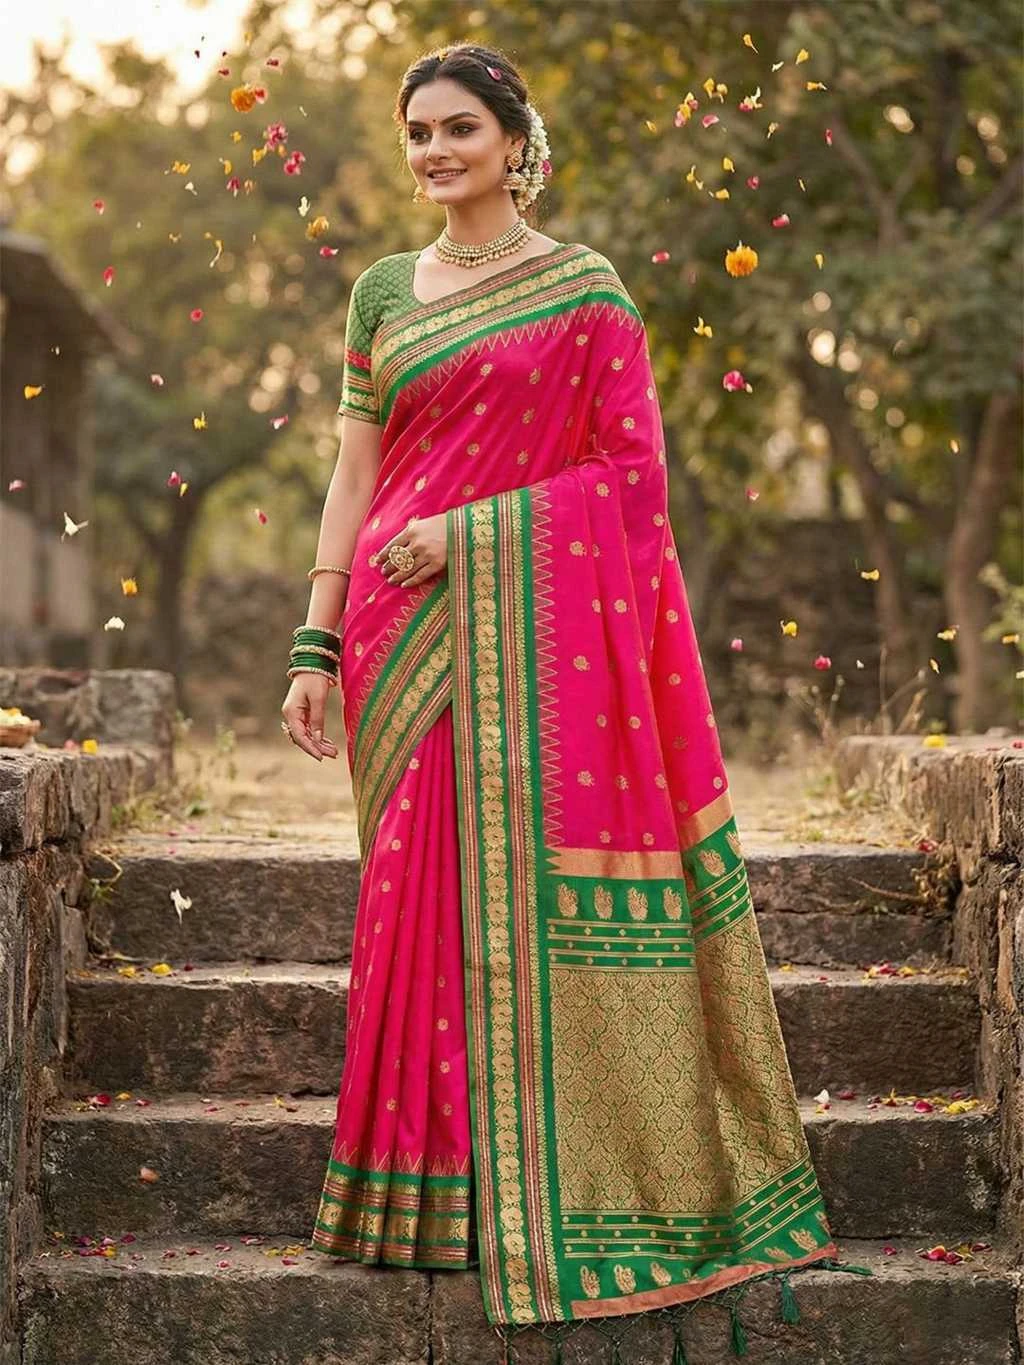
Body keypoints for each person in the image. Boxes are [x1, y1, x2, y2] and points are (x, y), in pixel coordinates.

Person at [283, 39, 859, 1359]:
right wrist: (316, 642)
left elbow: (632, 482)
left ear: (513, 141)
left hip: (527, 620)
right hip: (395, 631)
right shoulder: (383, 293)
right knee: (412, 896)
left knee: (516, 894)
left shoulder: (587, 292)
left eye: (459, 129)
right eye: (418, 131)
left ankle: (551, 1188)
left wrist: (473, 536)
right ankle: (422, 1197)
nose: (436, 151)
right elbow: (353, 475)